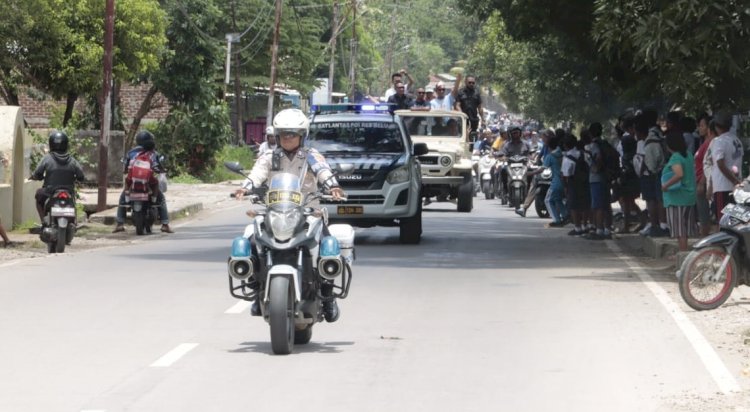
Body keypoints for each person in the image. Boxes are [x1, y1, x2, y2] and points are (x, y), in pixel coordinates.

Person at [234, 108, 346, 322]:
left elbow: (323, 171)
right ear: (277, 135)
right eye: (284, 134)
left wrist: (333, 187)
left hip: (308, 212)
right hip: (276, 211)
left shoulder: (311, 156)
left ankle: (329, 296)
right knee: (250, 241)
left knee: (328, 246)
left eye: (292, 134)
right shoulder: (269, 156)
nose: (288, 138)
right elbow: (257, 173)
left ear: (301, 136)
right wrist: (245, 187)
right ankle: (255, 291)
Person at [112, 131, 173, 234]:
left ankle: (120, 224)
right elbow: (158, 167)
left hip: (133, 181)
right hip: (148, 180)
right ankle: (165, 224)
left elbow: (126, 167)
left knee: (123, 198)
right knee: (161, 198)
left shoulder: (131, 153)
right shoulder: (153, 153)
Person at [30, 131, 85, 223]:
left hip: (49, 192)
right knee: (73, 201)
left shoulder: (47, 158)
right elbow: (81, 176)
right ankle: (73, 221)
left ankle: (43, 222)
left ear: (51, 144)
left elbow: (38, 173)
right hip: (69, 191)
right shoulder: (72, 160)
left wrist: (35, 177)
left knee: (38, 196)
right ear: (66, 144)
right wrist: (79, 179)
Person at [661, 131, 697, 251]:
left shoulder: (676, 157)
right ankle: (683, 251)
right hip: (689, 196)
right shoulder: (688, 155)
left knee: (679, 230)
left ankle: (682, 254)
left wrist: (665, 186)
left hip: (677, 198)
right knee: (685, 229)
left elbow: (679, 174)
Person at [709, 111, 743, 220]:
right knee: (734, 220)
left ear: (716, 126)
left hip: (722, 187)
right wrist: (737, 181)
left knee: (723, 220)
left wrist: (733, 180)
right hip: (736, 188)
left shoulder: (719, 141)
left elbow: (720, 164)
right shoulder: (736, 140)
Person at [562, 133, 589, 236]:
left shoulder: (567, 157)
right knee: (585, 204)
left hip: (573, 183)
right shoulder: (583, 154)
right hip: (585, 182)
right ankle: (585, 225)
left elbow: (565, 174)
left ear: (565, 145)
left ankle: (577, 227)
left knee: (574, 206)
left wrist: (565, 187)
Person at [498, 126, 530, 200]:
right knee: (503, 170)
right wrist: (503, 158)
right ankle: (506, 190)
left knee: (531, 170)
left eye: (517, 133)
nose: (515, 134)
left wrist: (530, 157)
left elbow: (531, 152)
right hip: (510, 166)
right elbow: (502, 154)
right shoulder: (507, 145)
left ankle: (529, 190)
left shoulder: (526, 144)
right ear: (510, 134)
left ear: (520, 133)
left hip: (523, 165)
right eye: (513, 133)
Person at [694, 114, 714, 236]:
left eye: (702, 125)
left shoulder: (710, 143)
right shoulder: (705, 142)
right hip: (700, 179)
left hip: (704, 182)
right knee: (703, 215)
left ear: (708, 127)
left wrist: (702, 182)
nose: (699, 128)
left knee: (705, 216)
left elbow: (709, 163)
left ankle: (705, 239)